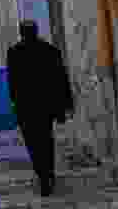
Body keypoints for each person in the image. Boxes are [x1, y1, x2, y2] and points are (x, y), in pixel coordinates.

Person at [6, 19, 75, 197]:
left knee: (33, 142)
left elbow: (12, 83)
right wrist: (66, 104)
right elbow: (61, 78)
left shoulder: (14, 53)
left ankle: (43, 175)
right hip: (45, 106)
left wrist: (14, 102)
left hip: (26, 107)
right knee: (46, 140)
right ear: (36, 31)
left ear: (21, 33)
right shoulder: (49, 50)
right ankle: (48, 175)